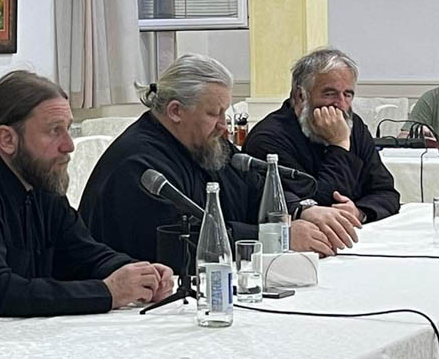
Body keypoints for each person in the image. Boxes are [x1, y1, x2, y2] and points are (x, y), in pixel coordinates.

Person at [0, 71, 174, 316]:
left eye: (68, 129)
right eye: (54, 131)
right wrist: (107, 293)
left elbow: (83, 253)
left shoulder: (40, 182)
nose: (68, 145)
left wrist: (139, 273)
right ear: (7, 139)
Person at [79, 54, 334, 262]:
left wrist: (300, 211)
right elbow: (180, 243)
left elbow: (254, 190)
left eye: (225, 113)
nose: (224, 126)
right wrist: (274, 238)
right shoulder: (138, 164)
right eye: (214, 113)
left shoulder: (207, 143)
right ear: (175, 111)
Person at [244, 47, 400, 250]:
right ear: (301, 96)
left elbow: (387, 192)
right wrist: (339, 145)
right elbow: (316, 207)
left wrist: (359, 212)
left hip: (357, 241)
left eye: (348, 95)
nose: (341, 104)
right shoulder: (268, 139)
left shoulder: (354, 127)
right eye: (330, 94)